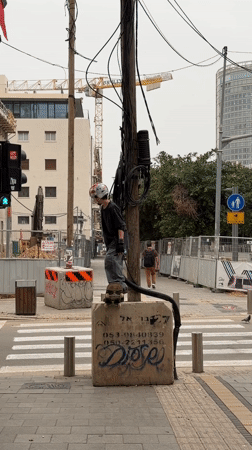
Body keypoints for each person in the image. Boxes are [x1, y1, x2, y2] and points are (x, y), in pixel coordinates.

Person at [89, 182, 127, 293]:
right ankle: (114, 284)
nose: (95, 200)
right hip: (111, 241)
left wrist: (121, 242)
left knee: (111, 260)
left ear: (100, 196)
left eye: (95, 197)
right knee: (112, 262)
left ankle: (120, 285)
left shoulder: (112, 207)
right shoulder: (103, 209)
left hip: (117, 240)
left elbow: (121, 226)